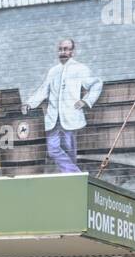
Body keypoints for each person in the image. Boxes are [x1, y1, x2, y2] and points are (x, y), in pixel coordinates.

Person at [22, 38, 102, 173]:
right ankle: (76, 174)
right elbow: (43, 90)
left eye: (66, 49)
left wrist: (86, 101)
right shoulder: (53, 71)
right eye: (60, 49)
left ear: (72, 51)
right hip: (53, 118)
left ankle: (71, 179)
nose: (62, 52)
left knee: (70, 152)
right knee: (53, 150)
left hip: (71, 117)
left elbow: (97, 83)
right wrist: (29, 103)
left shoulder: (80, 69)